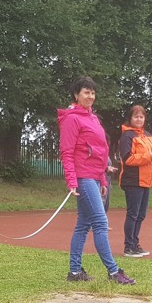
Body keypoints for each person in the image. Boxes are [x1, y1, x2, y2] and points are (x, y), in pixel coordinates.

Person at [58, 77, 134, 285]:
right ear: (76, 95)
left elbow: (100, 152)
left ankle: (74, 272)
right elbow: (67, 152)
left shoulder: (93, 118)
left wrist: (102, 179)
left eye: (92, 92)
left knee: (83, 225)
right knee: (100, 222)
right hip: (83, 177)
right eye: (86, 92)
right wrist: (72, 180)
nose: (90, 96)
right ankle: (113, 272)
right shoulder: (72, 119)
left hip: (94, 176)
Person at [117, 104, 152, 257]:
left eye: (141, 117)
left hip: (146, 180)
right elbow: (128, 159)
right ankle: (128, 247)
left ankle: (135, 244)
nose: (139, 119)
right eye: (136, 116)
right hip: (133, 180)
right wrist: (148, 156)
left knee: (141, 215)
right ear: (130, 118)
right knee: (133, 214)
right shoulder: (127, 136)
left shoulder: (148, 136)